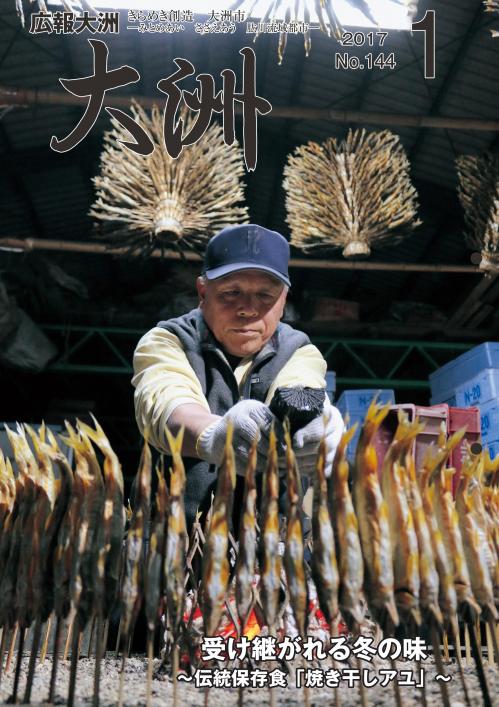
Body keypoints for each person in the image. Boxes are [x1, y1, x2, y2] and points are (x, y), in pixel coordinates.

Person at [132, 223, 344, 529]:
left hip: (273, 547)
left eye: (265, 295)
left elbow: (298, 389)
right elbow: (166, 404)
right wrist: (213, 436)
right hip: (177, 543)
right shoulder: (168, 340)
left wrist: (315, 422)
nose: (248, 309)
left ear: (283, 301)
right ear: (202, 292)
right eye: (231, 293)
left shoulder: (299, 351)